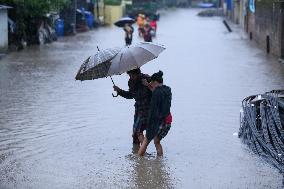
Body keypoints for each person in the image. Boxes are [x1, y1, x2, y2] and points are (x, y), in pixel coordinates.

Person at [113, 68, 152, 145]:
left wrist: (148, 85)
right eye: (129, 75)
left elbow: (157, 91)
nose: (130, 77)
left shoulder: (147, 79)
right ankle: (138, 152)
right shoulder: (131, 82)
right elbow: (131, 95)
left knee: (138, 131)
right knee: (135, 134)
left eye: (132, 75)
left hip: (149, 109)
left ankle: (142, 152)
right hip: (138, 109)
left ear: (137, 73)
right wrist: (119, 91)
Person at [138, 71, 172, 156]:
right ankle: (159, 162)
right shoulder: (167, 89)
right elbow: (157, 91)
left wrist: (149, 124)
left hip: (158, 121)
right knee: (157, 141)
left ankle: (139, 161)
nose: (151, 84)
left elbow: (153, 111)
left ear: (155, 82)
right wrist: (148, 85)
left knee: (145, 142)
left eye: (152, 82)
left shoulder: (156, 93)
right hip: (168, 121)